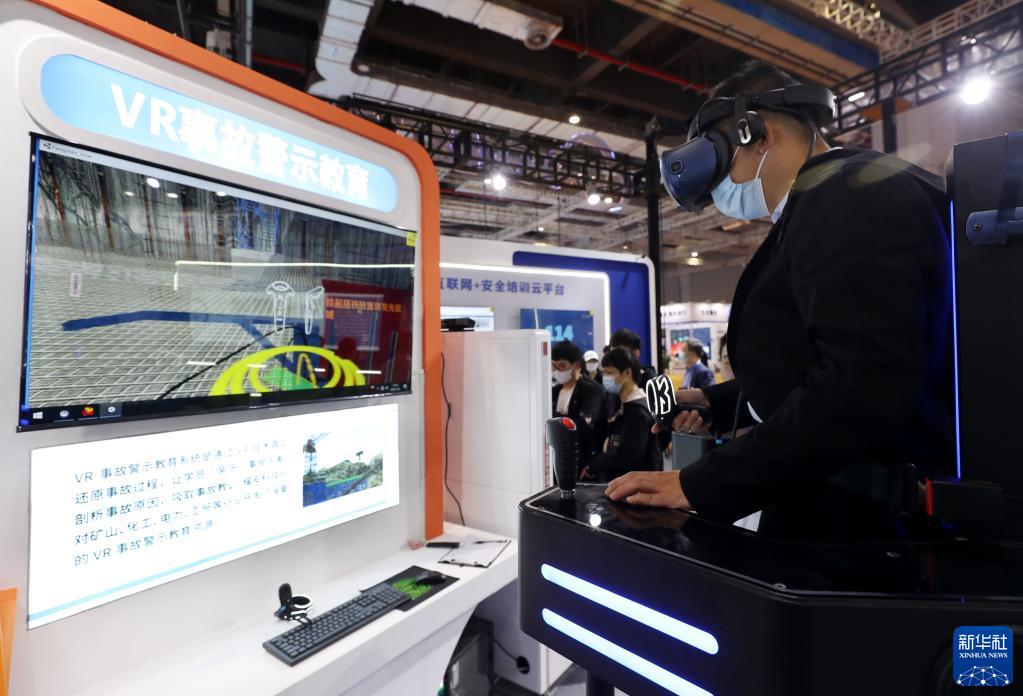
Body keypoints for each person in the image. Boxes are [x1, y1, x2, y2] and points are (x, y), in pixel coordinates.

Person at [607, 60, 953, 536]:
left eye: (723, 167)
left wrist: (699, 483)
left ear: (759, 135)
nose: (723, 193)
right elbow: (819, 360)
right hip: (847, 511)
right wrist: (717, 402)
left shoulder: (847, 198)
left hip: (861, 532)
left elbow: (857, 389)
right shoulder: (839, 196)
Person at [582, 348, 661, 482]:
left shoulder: (637, 411)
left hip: (637, 485)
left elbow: (629, 454)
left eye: (610, 373)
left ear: (627, 373)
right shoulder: (623, 404)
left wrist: (596, 465)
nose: (606, 378)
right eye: (604, 373)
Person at [551, 340, 606, 467]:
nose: (557, 371)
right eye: (554, 366)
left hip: (584, 457)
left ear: (576, 365)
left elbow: (584, 423)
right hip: (559, 455)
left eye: (562, 366)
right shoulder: (555, 391)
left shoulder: (592, 390)